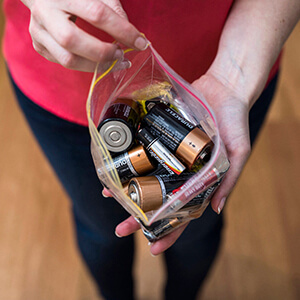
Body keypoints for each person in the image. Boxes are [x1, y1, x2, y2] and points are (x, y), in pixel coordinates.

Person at [2, 0, 299, 299]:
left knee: (196, 230)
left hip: (238, 63)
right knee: (100, 231)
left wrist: (236, 77)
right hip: (58, 82)